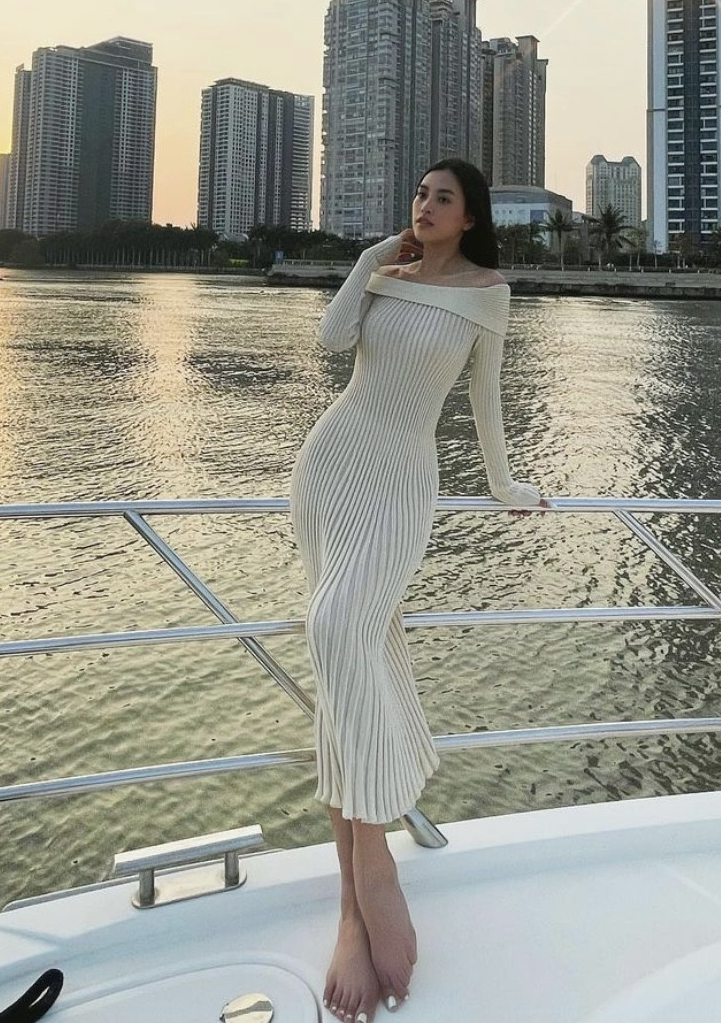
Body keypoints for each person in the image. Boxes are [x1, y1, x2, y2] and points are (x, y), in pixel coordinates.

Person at [290, 158, 549, 1022]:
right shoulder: (385, 275)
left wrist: (506, 487)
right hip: (332, 463)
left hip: (402, 476)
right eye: (420, 195)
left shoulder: (487, 292)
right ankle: (356, 895)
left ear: (470, 217)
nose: (426, 206)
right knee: (340, 649)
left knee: (340, 634)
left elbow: (485, 399)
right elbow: (332, 342)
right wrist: (371, 259)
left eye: (444, 198)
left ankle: (368, 871)